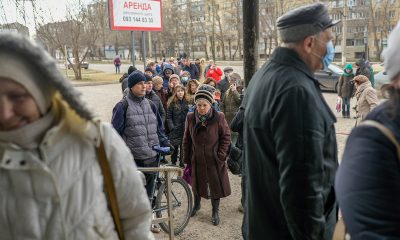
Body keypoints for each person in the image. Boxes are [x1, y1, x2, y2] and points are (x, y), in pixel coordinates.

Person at [0, 33, 153, 239]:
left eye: (17, 96)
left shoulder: (97, 140)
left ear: (41, 91)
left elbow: (136, 220)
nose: (5, 113)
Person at [242, 3, 339, 239]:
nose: (330, 47)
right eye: (328, 40)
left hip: (265, 225)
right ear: (309, 43)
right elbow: (302, 190)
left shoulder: (264, 76)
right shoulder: (296, 91)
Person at [335, 21, 400, 239]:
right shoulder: (376, 136)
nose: (353, 82)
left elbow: (372, 105)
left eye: (355, 81)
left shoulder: (369, 90)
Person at [111, 70, 173, 205]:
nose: (144, 86)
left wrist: (166, 143)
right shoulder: (122, 106)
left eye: (144, 83)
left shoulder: (150, 104)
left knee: (150, 196)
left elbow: (159, 129)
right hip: (135, 160)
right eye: (140, 84)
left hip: (153, 157)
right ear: (131, 86)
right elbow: (115, 135)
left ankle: (151, 223)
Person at [182, 89, 231, 226]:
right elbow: (186, 139)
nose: (202, 108)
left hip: (214, 159)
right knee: (197, 183)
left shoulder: (219, 116)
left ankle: (215, 211)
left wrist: (220, 155)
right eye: (199, 105)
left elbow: (226, 137)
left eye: (205, 105)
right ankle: (196, 206)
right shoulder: (190, 117)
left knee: (215, 185)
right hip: (197, 158)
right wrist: (186, 160)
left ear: (210, 104)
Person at [166, 85, 189, 167]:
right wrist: (172, 127)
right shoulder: (172, 102)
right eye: (178, 91)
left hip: (185, 128)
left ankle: (182, 162)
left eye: (182, 91)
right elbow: (168, 117)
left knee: (183, 146)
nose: (180, 92)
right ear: (175, 92)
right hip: (175, 128)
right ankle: (173, 161)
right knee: (174, 147)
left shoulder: (187, 101)